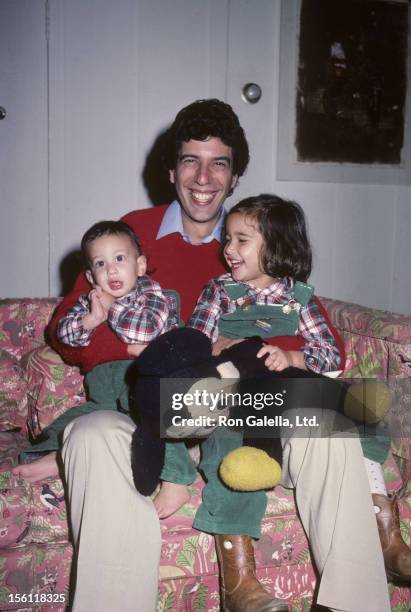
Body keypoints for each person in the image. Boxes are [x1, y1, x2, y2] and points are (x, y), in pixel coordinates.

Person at [14, 99, 395, 611]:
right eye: (191, 160)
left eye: (219, 163)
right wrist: (150, 357)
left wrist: (262, 354)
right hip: (151, 410)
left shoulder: (259, 239)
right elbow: (71, 334)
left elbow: (309, 332)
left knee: (327, 425)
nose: (203, 176)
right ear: (170, 170)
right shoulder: (130, 234)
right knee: (91, 435)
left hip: (242, 411)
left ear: (235, 176)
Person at [13, 219, 179, 480]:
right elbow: (65, 335)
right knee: (85, 415)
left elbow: (146, 330)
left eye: (120, 259)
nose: (111, 270)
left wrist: (112, 307)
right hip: (102, 380)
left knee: (150, 410)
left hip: (143, 374)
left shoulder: (152, 293)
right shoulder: (89, 299)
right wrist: (89, 320)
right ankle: (55, 453)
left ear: (140, 265)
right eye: (101, 263)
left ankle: (172, 473)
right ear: (91, 276)